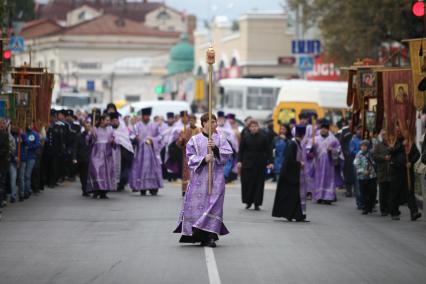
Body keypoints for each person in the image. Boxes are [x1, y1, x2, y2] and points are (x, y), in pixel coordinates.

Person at [173, 113, 233, 247]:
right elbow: (189, 157)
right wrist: (203, 159)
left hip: (216, 179)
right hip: (199, 179)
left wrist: (216, 149)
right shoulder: (194, 140)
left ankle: (210, 236)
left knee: (214, 206)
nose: (213, 124)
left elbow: (228, 153)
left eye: (215, 121)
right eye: (211, 122)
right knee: (199, 207)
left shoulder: (221, 138)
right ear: (204, 123)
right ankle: (199, 235)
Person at [272, 125, 308, 222]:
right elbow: (289, 160)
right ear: (303, 135)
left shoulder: (296, 143)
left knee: (295, 196)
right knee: (292, 196)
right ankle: (292, 215)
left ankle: (297, 215)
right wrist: (299, 163)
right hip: (289, 175)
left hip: (294, 174)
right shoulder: (293, 144)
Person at [238, 120, 273, 210]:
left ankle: (257, 203)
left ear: (258, 127)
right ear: (249, 128)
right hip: (247, 164)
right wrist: (239, 161)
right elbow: (241, 150)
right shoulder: (245, 137)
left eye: (255, 126)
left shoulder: (264, 137)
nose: (253, 128)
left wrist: (270, 162)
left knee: (259, 184)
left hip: (260, 164)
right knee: (247, 183)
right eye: (252, 127)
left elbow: (269, 150)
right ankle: (248, 202)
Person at [129, 107, 163, 196]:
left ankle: (154, 187)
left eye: (147, 116)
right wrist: (135, 138)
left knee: (154, 168)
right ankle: (141, 188)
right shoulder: (137, 126)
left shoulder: (155, 125)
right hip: (140, 152)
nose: (146, 117)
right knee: (140, 168)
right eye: (144, 115)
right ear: (142, 116)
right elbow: (131, 135)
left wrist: (152, 140)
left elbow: (160, 137)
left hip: (152, 152)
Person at [388, 134, 421, 221]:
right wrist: (401, 145)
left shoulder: (410, 142)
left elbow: (417, 154)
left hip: (407, 171)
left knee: (410, 191)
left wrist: (411, 162)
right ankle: (394, 212)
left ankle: (414, 212)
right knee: (395, 192)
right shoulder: (393, 140)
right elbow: (391, 151)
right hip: (396, 171)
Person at [313, 121, 342, 204]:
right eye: (322, 128)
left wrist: (332, 150)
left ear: (328, 130)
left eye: (325, 129)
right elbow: (310, 152)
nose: (323, 130)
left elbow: (339, 150)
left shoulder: (333, 139)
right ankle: (319, 197)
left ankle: (328, 197)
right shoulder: (316, 139)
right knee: (319, 179)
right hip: (318, 163)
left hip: (329, 163)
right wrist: (312, 148)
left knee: (329, 180)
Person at [87, 115, 116, 199]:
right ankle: (96, 191)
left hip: (107, 154)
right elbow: (88, 141)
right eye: (107, 120)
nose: (108, 122)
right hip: (96, 153)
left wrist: (113, 141)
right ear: (102, 120)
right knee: (96, 171)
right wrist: (91, 135)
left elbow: (114, 140)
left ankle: (103, 192)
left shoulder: (111, 129)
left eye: (109, 120)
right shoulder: (95, 129)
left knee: (106, 173)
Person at [109, 111, 134, 191]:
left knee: (124, 169)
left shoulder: (123, 128)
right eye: (112, 121)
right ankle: (115, 184)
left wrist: (117, 139)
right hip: (113, 152)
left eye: (116, 120)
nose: (114, 122)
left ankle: (121, 183)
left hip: (124, 152)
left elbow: (125, 139)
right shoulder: (109, 128)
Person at [176, 114, 200, 196]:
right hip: (186, 153)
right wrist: (181, 140)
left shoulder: (199, 130)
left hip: (196, 154)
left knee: (195, 171)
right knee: (186, 172)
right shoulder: (184, 130)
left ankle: (194, 189)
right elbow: (179, 143)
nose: (191, 122)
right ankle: (185, 189)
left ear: (195, 121)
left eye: (193, 120)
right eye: (190, 120)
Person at [354, 140, 377, 215]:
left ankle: (370, 206)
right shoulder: (358, 154)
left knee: (372, 192)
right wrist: (363, 171)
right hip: (362, 177)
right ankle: (365, 208)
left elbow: (375, 163)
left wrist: (371, 170)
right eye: (362, 146)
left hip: (372, 176)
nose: (363, 147)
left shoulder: (371, 154)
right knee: (363, 193)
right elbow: (356, 165)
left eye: (365, 146)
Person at [372, 130, 391, 216]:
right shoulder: (378, 146)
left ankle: (390, 208)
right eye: (383, 135)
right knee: (383, 192)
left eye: (386, 135)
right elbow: (375, 156)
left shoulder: (391, 145)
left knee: (390, 192)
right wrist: (384, 158)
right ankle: (383, 209)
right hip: (382, 171)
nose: (385, 136)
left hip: (391, 172)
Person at [74, 120, 92, 197]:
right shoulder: (79, 136)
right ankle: (84, 189)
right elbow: (75, 147)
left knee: (89, 175)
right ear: (84, 127)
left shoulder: (92, 136)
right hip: (82, 158)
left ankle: (88, 189)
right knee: (83, 175)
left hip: (90, 158)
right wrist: (74, 157)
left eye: (89, 126)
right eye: (86, 126)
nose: (88, 127)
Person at [24, 124, 41, 198]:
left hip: (31, 157)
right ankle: (24, 190)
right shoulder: (22, 133)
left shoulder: (35, 134)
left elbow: (37, 144)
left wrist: (29, 147)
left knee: (27, 175)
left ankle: (27, 191)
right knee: (22, 176)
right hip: (23, 157)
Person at [350, 126, 363, 208]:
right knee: (358, 183)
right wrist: (361, 152)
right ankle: (359, 202)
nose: (360, 131)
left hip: (367, 164)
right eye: (359, 129)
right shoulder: (353, 140)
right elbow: (352, 152)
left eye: (361, 129)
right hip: (357, 163)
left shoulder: (365, 138)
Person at [0, 118, 10, 210]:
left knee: (2, 183)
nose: (2, 125)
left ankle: (2, 200)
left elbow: (6, 149)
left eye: (3, 123)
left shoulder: (5, 135)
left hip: (2, 163)